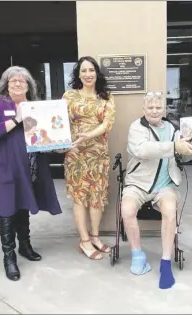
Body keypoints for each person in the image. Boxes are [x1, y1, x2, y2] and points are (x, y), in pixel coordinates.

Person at [0, 66, 62, 281]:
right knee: (8, 206)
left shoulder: (35, 106)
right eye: (12, 80)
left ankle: (25, 245)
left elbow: (47, 133)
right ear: (6, 84)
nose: (17, 83)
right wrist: (16, 119)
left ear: (29, 85)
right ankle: (9, 257)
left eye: (22, 81)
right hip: (4, 165)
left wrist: (59, 142)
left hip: (30, 164)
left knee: (24, 201)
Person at [121, 91, 192, 289]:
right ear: (144, 108)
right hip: (138, 183)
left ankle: (165, 263)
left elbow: (182, 156)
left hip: (165, 185)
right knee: (127, 211)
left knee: (170, 212)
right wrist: (175, 146)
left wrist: (190, 149)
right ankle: (138, 256)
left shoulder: (174, 129)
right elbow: (142, 150)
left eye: (158, 107)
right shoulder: (136, 127)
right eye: (150, 107)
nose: (154, 111)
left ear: (164, 108)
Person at [61, 56, 115, 260]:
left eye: (91, 70)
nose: (87, 74)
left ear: (96, 73)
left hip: (99, 155)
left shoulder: (106, 97)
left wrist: (88, 135)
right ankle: (84, 241)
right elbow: (59, 123)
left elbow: (107, 124)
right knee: (79, 197)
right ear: (78, 74)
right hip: (75, 155)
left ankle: (95, 236)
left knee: (97, 198)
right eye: (83, 70)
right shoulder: (69, 96)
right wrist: (60, 145)